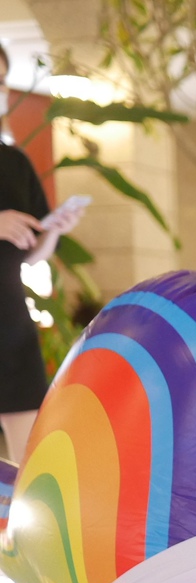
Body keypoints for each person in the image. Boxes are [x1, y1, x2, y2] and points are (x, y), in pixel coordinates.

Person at [0, 44, 84, 464]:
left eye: (0, 81)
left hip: (10, 324)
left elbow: (31, 257)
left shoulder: (14, 164)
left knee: (29, 463)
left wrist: (53, 231)